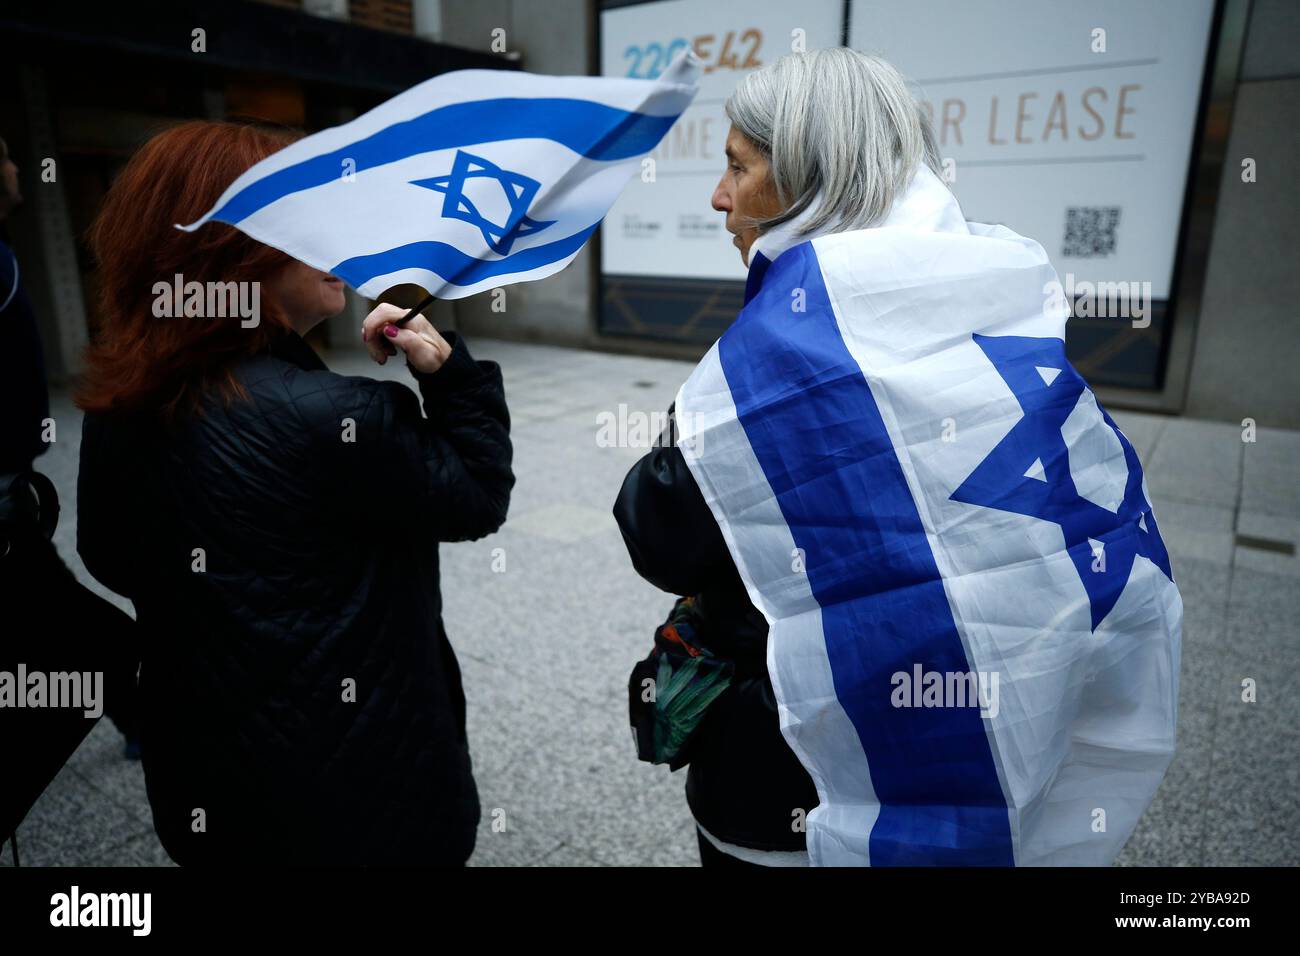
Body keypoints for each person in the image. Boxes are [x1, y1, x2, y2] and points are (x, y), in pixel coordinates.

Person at [75, 121, 514, 866]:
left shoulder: (123, 402)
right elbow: (476, 495)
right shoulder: (343, 416)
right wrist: (449, 372)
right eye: (306, 216)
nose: (337, 235)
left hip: (210, 785)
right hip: (368, 797)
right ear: (232, 250)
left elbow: (109, 554)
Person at [614, 49, 946, 867]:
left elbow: (661, 533)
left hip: (783, 753)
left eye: (737, 166)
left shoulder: (781, 354)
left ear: (810, 185)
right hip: (935, 746)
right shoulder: (970, 312)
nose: (720, 196)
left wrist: (710, 394)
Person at [1, 132, 141, 849]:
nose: (18, 164)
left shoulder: (4, 257)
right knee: (104, 643)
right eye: (5, 153)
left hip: (15, 502)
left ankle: (138, 720)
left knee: (96, 641)